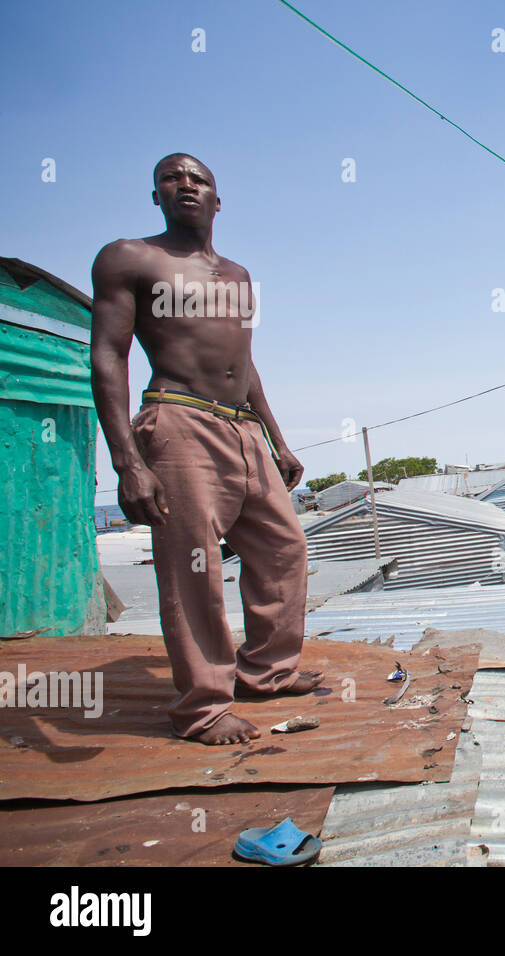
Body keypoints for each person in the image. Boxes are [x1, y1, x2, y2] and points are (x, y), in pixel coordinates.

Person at [90, 153, 322, 745]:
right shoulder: (130, 257)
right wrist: (127, 460)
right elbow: (108, 355)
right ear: (157, 196)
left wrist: (276, 437)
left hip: (242, 428)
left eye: (199, 179)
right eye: (172, 178)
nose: (186, 185)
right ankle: (203, 709)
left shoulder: (237, 275)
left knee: (283, 548)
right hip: (178, 421)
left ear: (218, 201)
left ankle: (265, 674)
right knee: (194, 567)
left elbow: (244, 365)